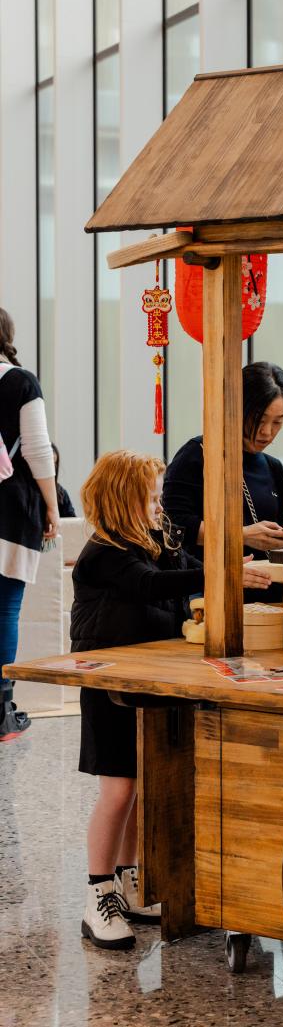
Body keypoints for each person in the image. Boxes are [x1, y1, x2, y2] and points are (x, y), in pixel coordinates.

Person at [72, 449, 271, 950]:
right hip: (109, 686)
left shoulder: (155, 541)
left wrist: (229, 568)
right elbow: (150, 585)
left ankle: (131, 880)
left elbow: (185, 568)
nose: (160, 505)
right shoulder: (104, 554)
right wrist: (221, 575)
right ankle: (99, 894)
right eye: (152, 497)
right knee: (118, 791)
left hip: (149, 680)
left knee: (144, 784)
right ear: (124, 500)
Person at [163, 361, 283, 572]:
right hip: (207, 590)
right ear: (237, 408)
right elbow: (172, 525)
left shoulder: (273, 467)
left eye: (277, 422)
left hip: (267, 591)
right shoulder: (197, 454)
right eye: (259, 419)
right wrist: (242, 535)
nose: (267, 432)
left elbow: (280, 531)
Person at [0, 307, 59, 742]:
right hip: (9, 508)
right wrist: (52, 507)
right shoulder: (21, 382)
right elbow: (38, 451)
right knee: (4, 608)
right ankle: (2, 711)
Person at [52, 443, 76, 518]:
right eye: (49, 463)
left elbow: (72, 523)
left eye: (55, 463)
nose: (53, 467)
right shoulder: (27, 492)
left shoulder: (61, 493)